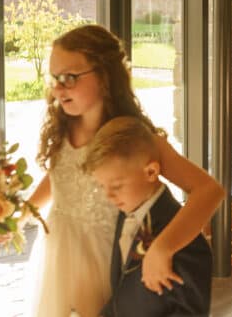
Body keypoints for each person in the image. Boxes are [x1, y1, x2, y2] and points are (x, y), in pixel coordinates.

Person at [25, 24, 225, 317]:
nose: (58, 88)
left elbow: (209, 191)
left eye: (69, 78)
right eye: (54, 78)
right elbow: (60, 174)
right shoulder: (65, 126)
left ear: (104, 76)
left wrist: (162, 248)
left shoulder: (134, 143)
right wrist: (25, 208)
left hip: (108, 262)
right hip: (60, 257)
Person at [85, 116, 214, 317]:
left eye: (116, 186)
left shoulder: (187, 245)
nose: (108, 196)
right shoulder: (125, 212)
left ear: (152, 171)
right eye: (102, 186)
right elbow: (123, 291)